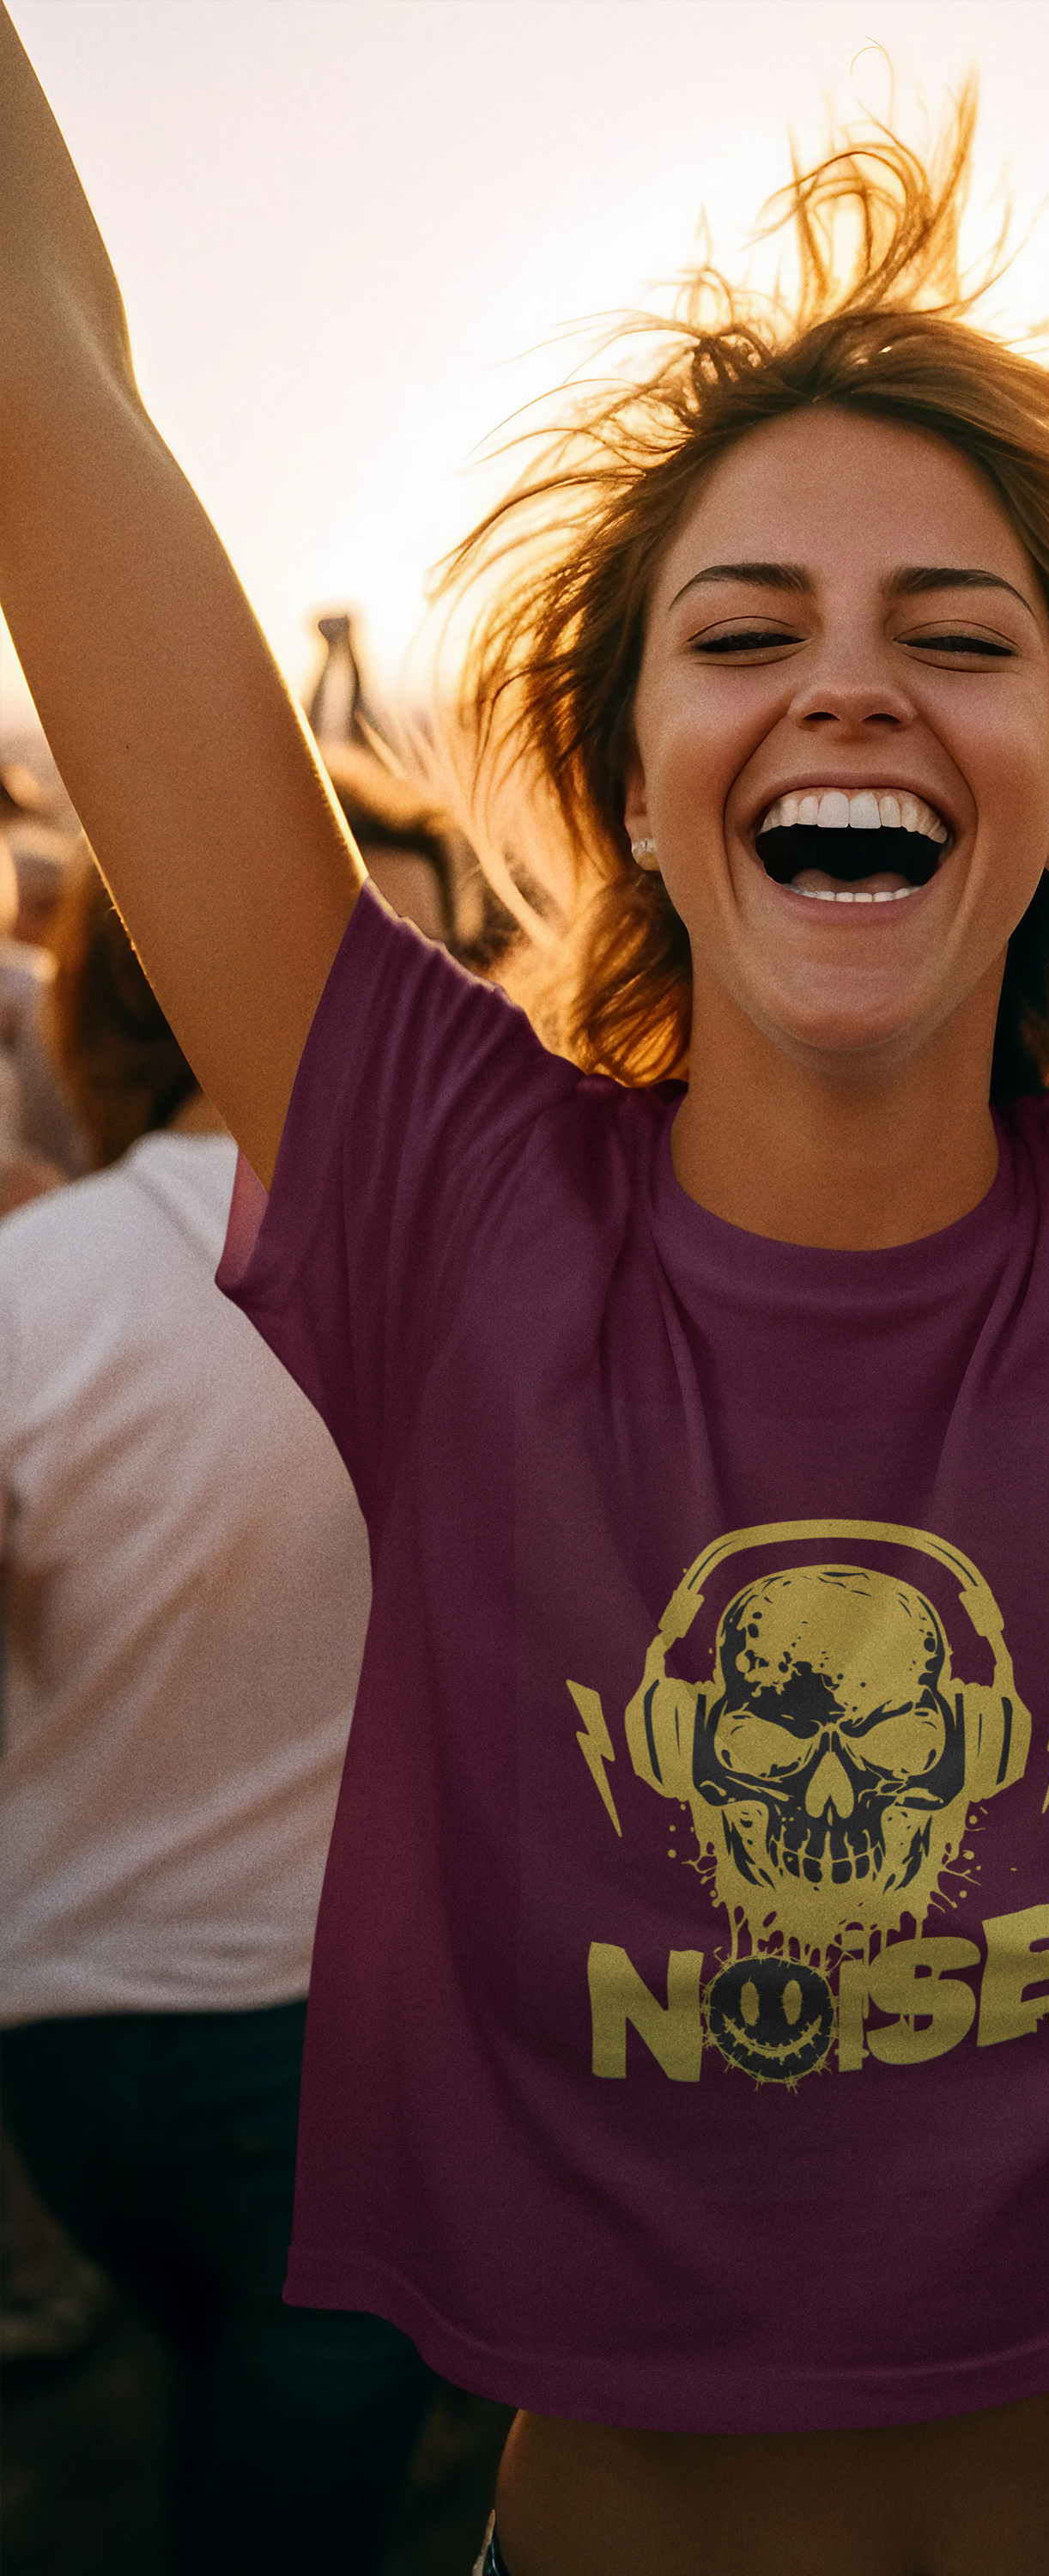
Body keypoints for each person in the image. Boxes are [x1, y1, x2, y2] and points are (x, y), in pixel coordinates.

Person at [1, 21, 1049, 2573]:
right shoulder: (452, 1209)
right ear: (627, 783)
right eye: (742, 629)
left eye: (955, 631)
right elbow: (42, 403)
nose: (846, 682)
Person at [0, 856, 437, 2573]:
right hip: (330, 2048)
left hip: (58, 2036)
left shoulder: (32, 1278)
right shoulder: (447, 1277)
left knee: (233, 2389)